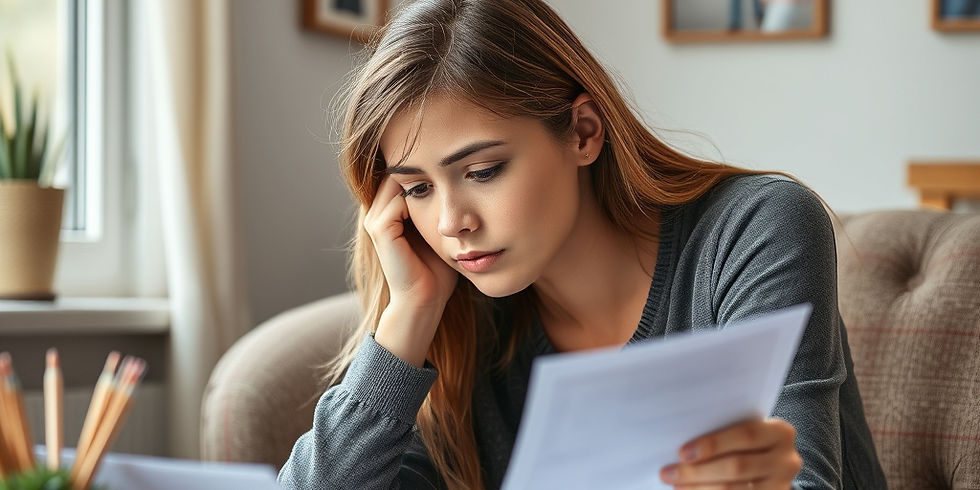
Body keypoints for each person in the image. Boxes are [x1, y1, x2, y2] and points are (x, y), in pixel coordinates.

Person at [277, 0, 888, 488]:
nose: (450, 222)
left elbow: (803, 478)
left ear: (583, 133)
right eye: (416, 189)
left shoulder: (756, 230)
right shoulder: (463, 325)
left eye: (484, 171)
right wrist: (405, 322)